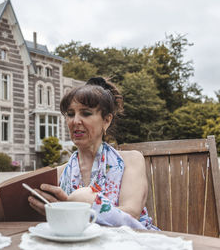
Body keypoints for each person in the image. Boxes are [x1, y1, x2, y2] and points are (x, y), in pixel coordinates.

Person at [28, 77, 158, 230]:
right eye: (70, 114)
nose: (75, 121)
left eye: (86, 113)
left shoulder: (131, 160)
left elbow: (132, 215)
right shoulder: (59, 172)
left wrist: (88, 204)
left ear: (106, 120)